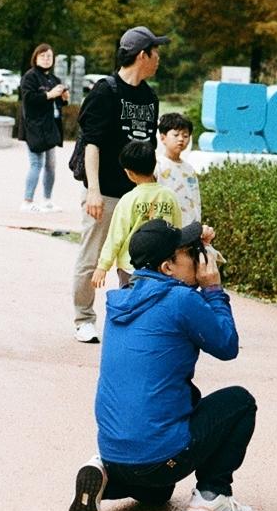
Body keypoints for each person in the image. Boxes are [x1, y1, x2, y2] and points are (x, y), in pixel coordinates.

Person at [68, 217, 257, 511]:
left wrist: (199, 245)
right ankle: (212, 498)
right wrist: (212, 288)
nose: (199, 258)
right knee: (240, 402)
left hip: (117, 453)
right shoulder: (180, 300)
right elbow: (227, 346)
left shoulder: (122, 299)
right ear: (168, 268)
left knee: (158, 494)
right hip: (160, 457)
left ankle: (107, 477)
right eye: (190, 253)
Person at [71, 25, 168, 343]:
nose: (159, 59)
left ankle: (131, 318)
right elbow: (92, 144)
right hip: (106, 192)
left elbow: (149, 148)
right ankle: (84, 318)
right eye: (156, 52)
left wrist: (153, 189)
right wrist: (94, 191)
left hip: (138, 195)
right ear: (143, 55)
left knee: (137, 259)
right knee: (93, 256)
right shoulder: (105, 90)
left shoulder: (150, 97)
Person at [91, 140, 182, 289]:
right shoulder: (170, 196)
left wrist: (103, 266)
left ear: (129, 173)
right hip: (163, 266)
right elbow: (178, 229)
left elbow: (116, 237)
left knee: (132, 306)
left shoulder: (129, 200)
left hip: (130, 267)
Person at [155, 111, 223, 275]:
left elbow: (195, 200)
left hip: (189, 231)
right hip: (168, 230)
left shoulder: (189, 169)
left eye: (185, 135)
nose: (181, 139)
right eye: (176, 134)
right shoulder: (158, 165)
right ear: (163, 137)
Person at [18, 43, 68, 212]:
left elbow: (59, 103)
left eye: (49, 56)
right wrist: (49, 94)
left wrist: (63, 97)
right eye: (43, 56)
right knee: (36, 164)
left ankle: (47, 200)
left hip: (50, 128)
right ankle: (27, 201)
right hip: (35, 128)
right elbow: (29, 100)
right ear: (36, 57)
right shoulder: (30, 77)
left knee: (51, 165)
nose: (46, 59)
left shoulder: (54, 79)